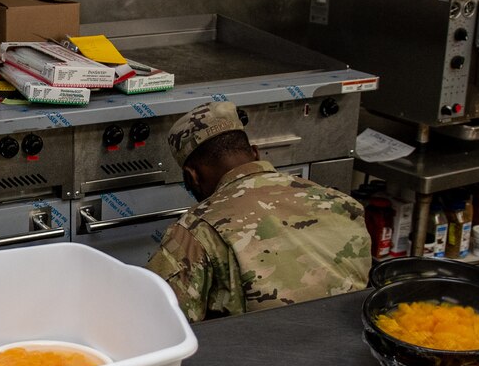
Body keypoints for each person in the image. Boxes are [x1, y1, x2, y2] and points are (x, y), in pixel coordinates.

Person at [146, 101, 370, 322]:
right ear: (256, 153)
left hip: (260, 355)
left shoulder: (197, 231)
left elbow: (158, 320)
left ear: (191, 176)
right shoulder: (342, 203)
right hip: (346, 350)